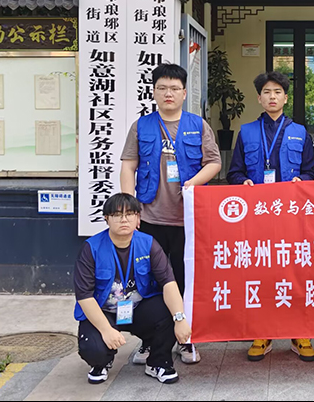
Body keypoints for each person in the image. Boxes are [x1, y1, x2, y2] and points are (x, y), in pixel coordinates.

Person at [120, 63, 221, 365]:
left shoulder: (198, 125)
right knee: (148, 282)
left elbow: (214, 162)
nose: (168, 93)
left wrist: (194, 182)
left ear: (184, 93)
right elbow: (128, 166)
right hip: (149, 218)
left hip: (187, 220)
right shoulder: (141, 126)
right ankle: (150, 341)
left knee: (184, 280)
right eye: (162, 88)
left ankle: (187, 339)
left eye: (174, 88)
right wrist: (130, 208)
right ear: (153, 91)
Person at [227, 71, 314, 362]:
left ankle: (299, 332)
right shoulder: (246, 132)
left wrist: (302, 181)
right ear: (259, 98)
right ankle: (263, 332)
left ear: (286, 98)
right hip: (259, 217)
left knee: (297, 273)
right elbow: (234, 172)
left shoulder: (301, 132)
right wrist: (243, 182)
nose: (272, 97)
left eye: (277, 92)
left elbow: (310, 170)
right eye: (267, 92)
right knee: (262, 273)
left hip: (292, 216)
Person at [74, 193, 192, 385]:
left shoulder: (148, 243)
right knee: (93, 348)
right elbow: (84, 296)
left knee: (169, 310)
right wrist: (106, 330)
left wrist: (180, 318)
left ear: (138, 218)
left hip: (138, 308)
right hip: (105, 311)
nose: (124, 219)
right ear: (106, 218)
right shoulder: (91, 248)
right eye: (117, 215)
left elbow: (168, 283)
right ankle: (102, 362)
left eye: (129, 214)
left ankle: (158, 362)